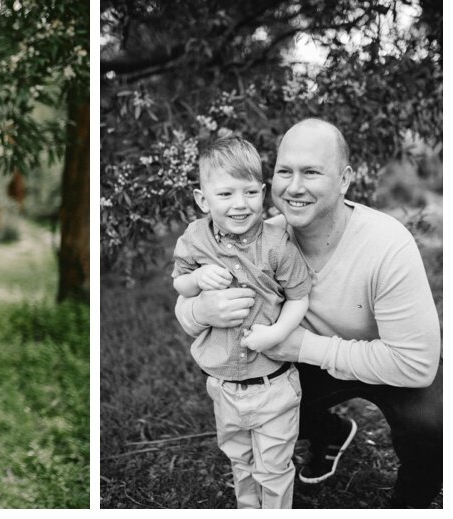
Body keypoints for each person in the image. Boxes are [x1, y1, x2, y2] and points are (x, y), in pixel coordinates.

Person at [177, 118, 441, 507]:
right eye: (285, 171)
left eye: (312, 172)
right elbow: (186, 306)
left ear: (344, 180)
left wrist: (303, 347)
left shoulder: (387, 246)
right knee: (243, 379)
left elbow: (416, 364)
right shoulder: (260, 239)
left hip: (387, 359)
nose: (295, 186)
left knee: (434, 423)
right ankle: (330, 432)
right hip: (304, 364)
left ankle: (410, 503)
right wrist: (201, 310)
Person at [171, 137, 312, 508]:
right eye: (226, 194)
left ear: (263, 194)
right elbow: (180, 283)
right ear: (203, 200)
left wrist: (276, 333)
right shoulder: (195, 238)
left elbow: (299, 297)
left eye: (250, 192)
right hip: (222, 386)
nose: (240, 204)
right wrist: (197, 280)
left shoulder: (277, 244)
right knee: (240, 460)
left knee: (273, 468)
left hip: (273, 384)